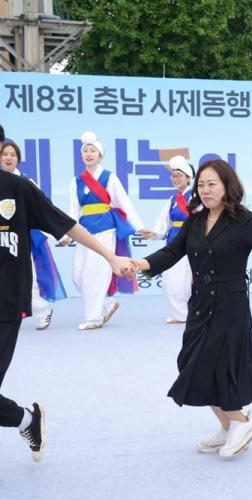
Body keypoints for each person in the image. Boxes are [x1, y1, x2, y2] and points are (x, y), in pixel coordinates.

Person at [131, 159, 252, 458]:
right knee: (191, 363)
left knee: (217, 366)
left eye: (212, 184)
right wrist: (139, 264)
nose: (205, 190)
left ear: (227, 186)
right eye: (201, 185)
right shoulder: (195, 220)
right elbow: (171, 252)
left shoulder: (242, 220)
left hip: (230, 303)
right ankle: (229, 425)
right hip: (200, 302)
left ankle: (242, 422)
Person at [1, 168, 134, 462]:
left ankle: (26, 420)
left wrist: (110, 257)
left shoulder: (18, 188)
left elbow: (66, 224)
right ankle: (26, 420)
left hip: (5, 301)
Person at [60, 131, 145, 330]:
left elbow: (124, 203)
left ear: (100, 155)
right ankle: (107, 303)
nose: (88, 154)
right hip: (84, 231)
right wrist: (66, 234)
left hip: (105, 229)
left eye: (93, 151)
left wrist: (140, 227)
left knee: (95, 273)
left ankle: (93, 318)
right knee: (78, 275)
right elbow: (73, 210)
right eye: (85, 151)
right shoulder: (75, 182)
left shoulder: (110, 178)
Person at [1, 142, 66, 330]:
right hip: (3, 237)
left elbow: (45, 210)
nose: (8, 158)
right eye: (5, 154)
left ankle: (43, 309)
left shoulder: (26, 183)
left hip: (22, 239)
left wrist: (60, 234)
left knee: (25, 280)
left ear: (18, 159)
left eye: (13, 155)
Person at [141, 155, 194, 324]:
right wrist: (154, 233)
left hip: (191, 240)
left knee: (187, 279)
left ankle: (188, 313)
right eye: (173, 176)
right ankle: (180, 313)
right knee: (170, 278)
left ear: (188, 177)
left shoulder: (195, 197)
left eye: (179, 176)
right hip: (174, 241)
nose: (175, 179)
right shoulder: (173, 200)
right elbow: (163, 220)